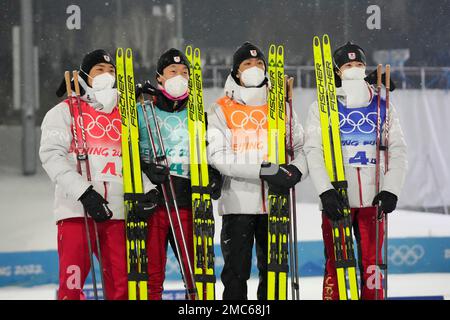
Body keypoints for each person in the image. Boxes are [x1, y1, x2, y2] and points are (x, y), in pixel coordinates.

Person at [40, 49, 158, 300]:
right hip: (76, 212)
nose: (107, 75)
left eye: (111, 71)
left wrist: (148, 188)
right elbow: (51, 156)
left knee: (122, 287)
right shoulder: (63, 112)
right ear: (85, 76)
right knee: (71, 288)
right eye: (99, 71)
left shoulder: (125, 115)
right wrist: (85, 193)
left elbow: (129, 159)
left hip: (116, 213)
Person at [304, 42, 407, 300]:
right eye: (348, 65)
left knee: (372, 263)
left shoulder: (383, 106)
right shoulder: (322, 107)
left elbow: (398, 150)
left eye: (359, 64)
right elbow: (313, 151)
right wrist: (325, 191)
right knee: (336, 263)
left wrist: (390, 190)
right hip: (338, 198)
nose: (354, 69)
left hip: (373, 199)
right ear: (338, 71)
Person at [207, 42, 308, 300]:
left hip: (275, 203)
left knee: (274, 273)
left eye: (260, 64)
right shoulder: (221, 108)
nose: (255, 69)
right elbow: (218, 156)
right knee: (236, 274)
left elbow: (301, 147)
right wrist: (263, 170)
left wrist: (295, 171)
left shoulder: (280, 105)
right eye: (248, 64)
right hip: (237, 204)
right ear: (236, 72)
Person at [136, 48, 222, 300]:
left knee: (197, 275)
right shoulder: (142, 112)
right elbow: (126, 152)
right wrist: (145, 170)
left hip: (187, 202)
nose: (179, 76)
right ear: (159, 77)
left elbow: (212, 152)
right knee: (152, 276)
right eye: (172, 71)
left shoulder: (198, 116)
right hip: (153, 201)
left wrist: (214, 174)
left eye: (184, 72)